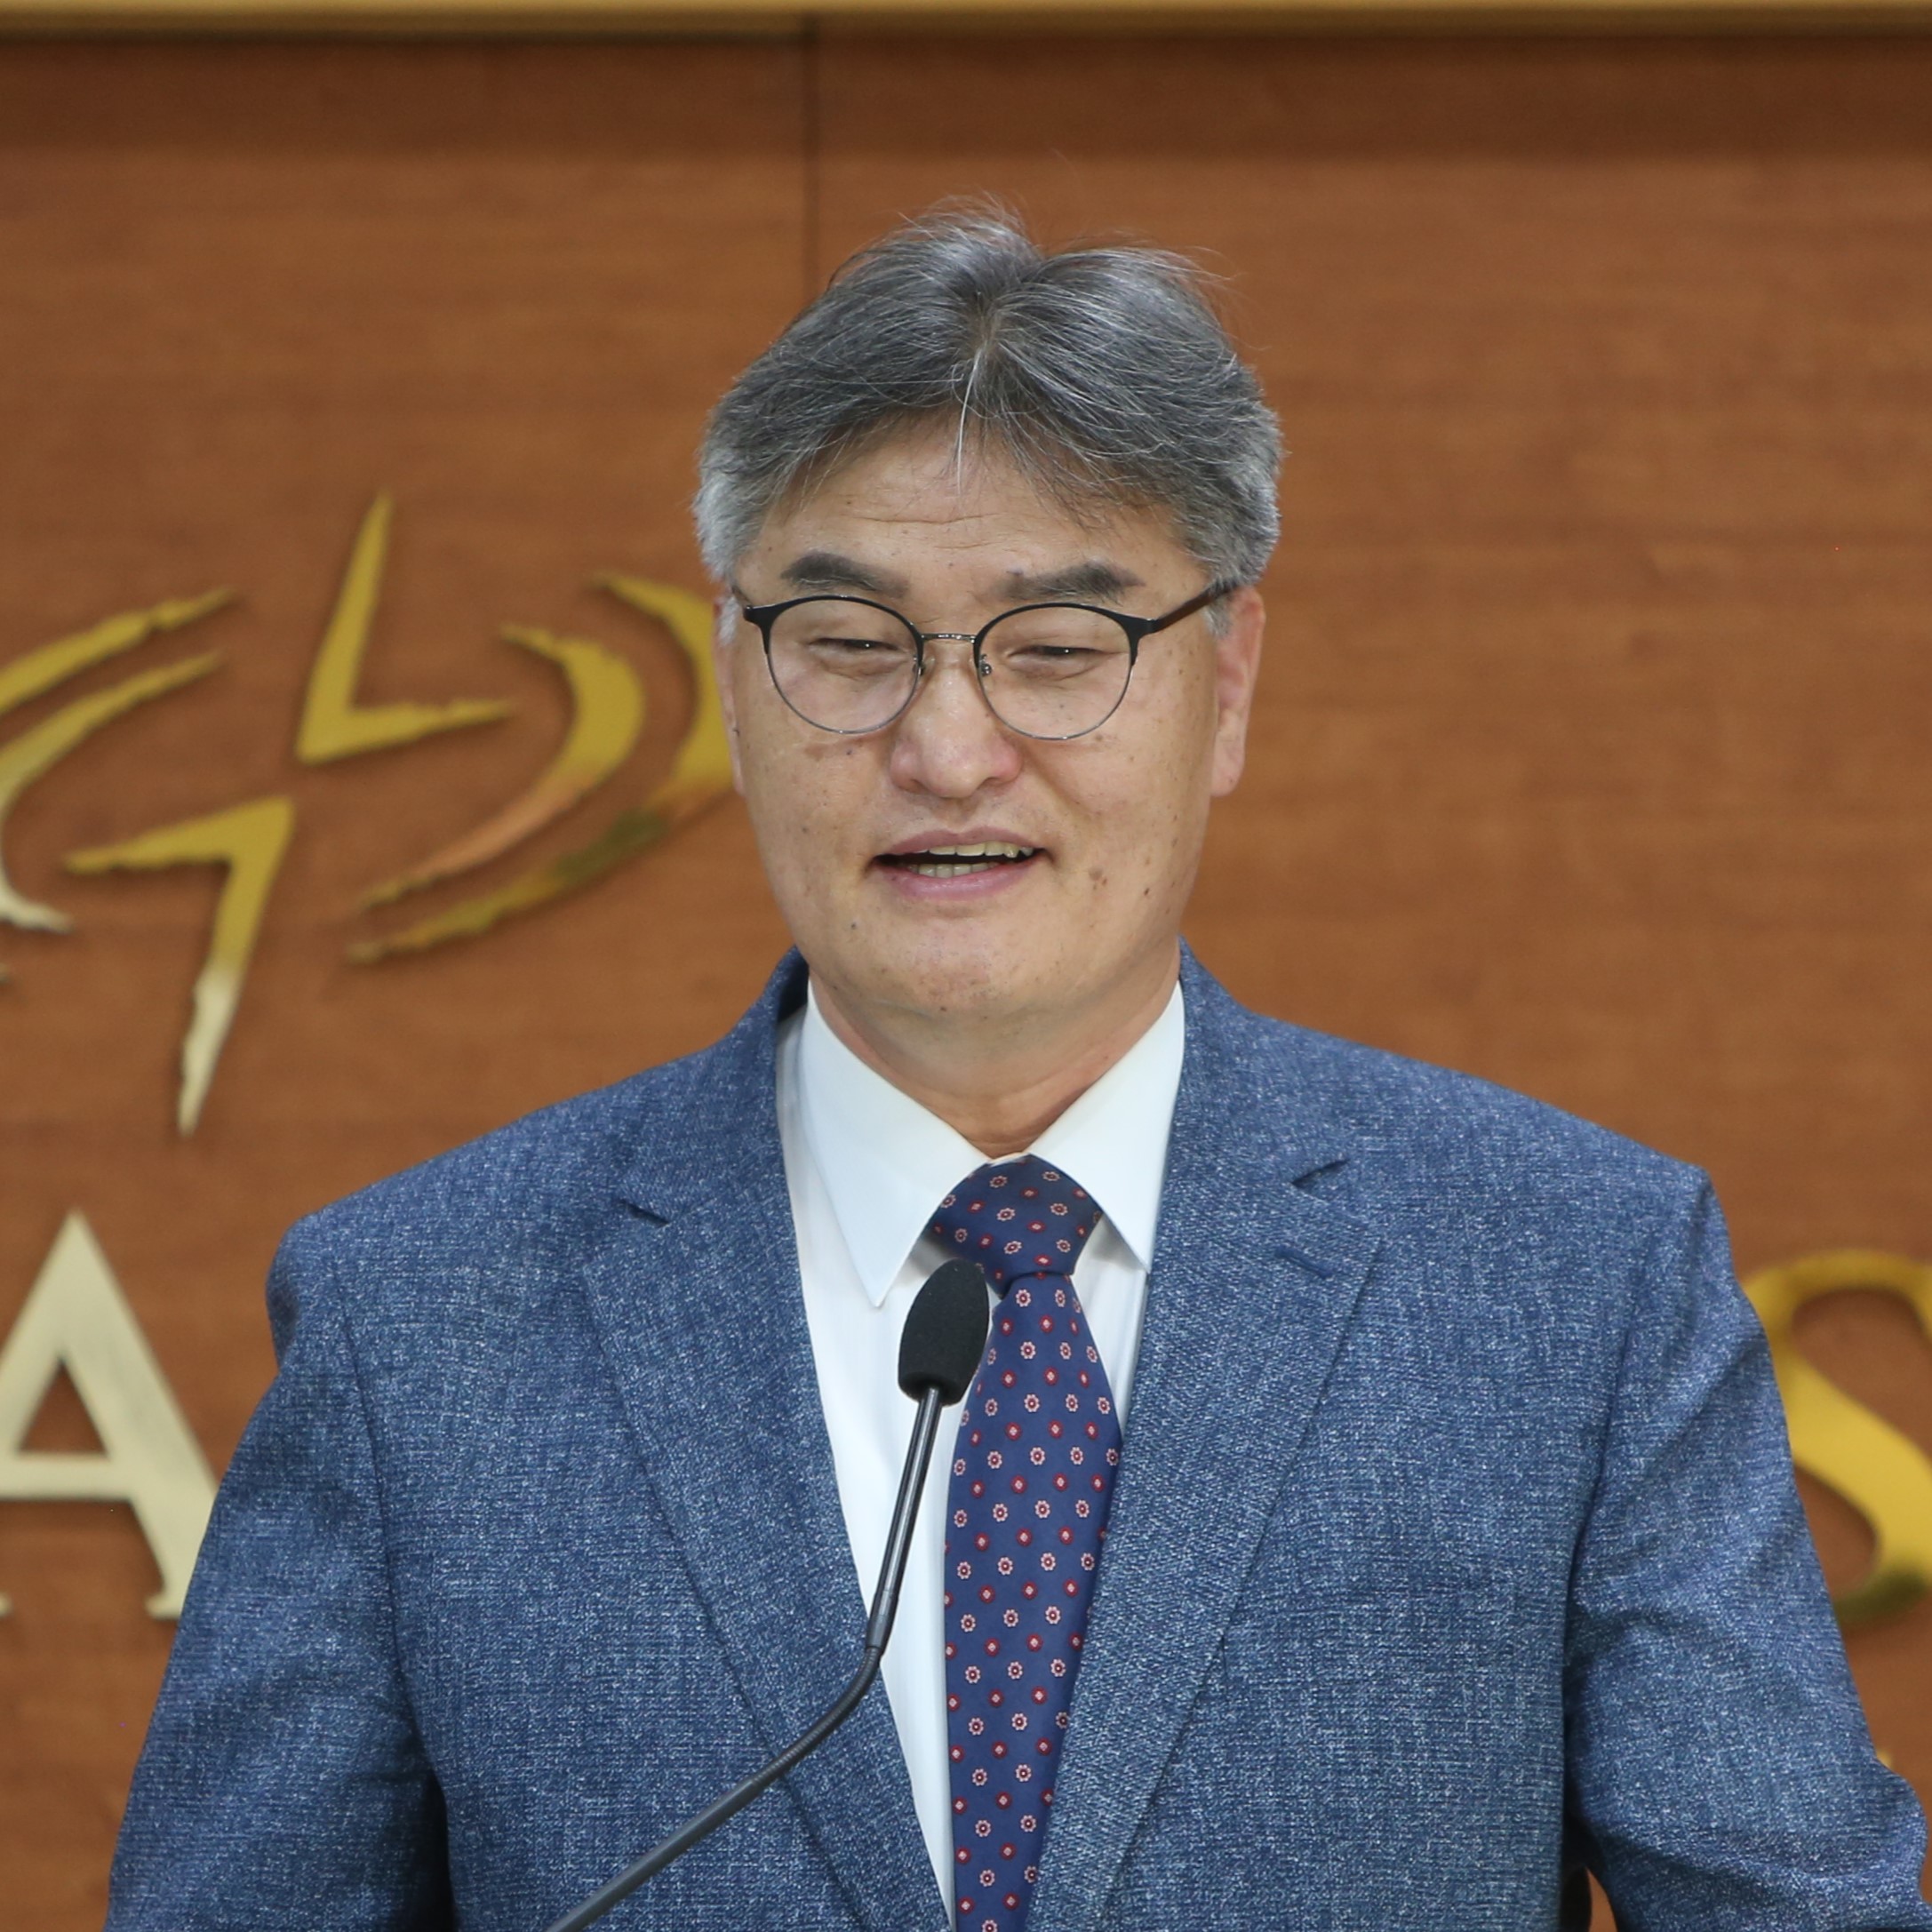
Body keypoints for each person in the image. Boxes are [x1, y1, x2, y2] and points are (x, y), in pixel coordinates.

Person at [108, 209, 1930, 1932]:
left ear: (1226, 686)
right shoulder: (418, 1320)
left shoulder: (1570, 1281)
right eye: (848, 648)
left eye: (1057, 652)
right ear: (734, 683)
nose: (948, 747)